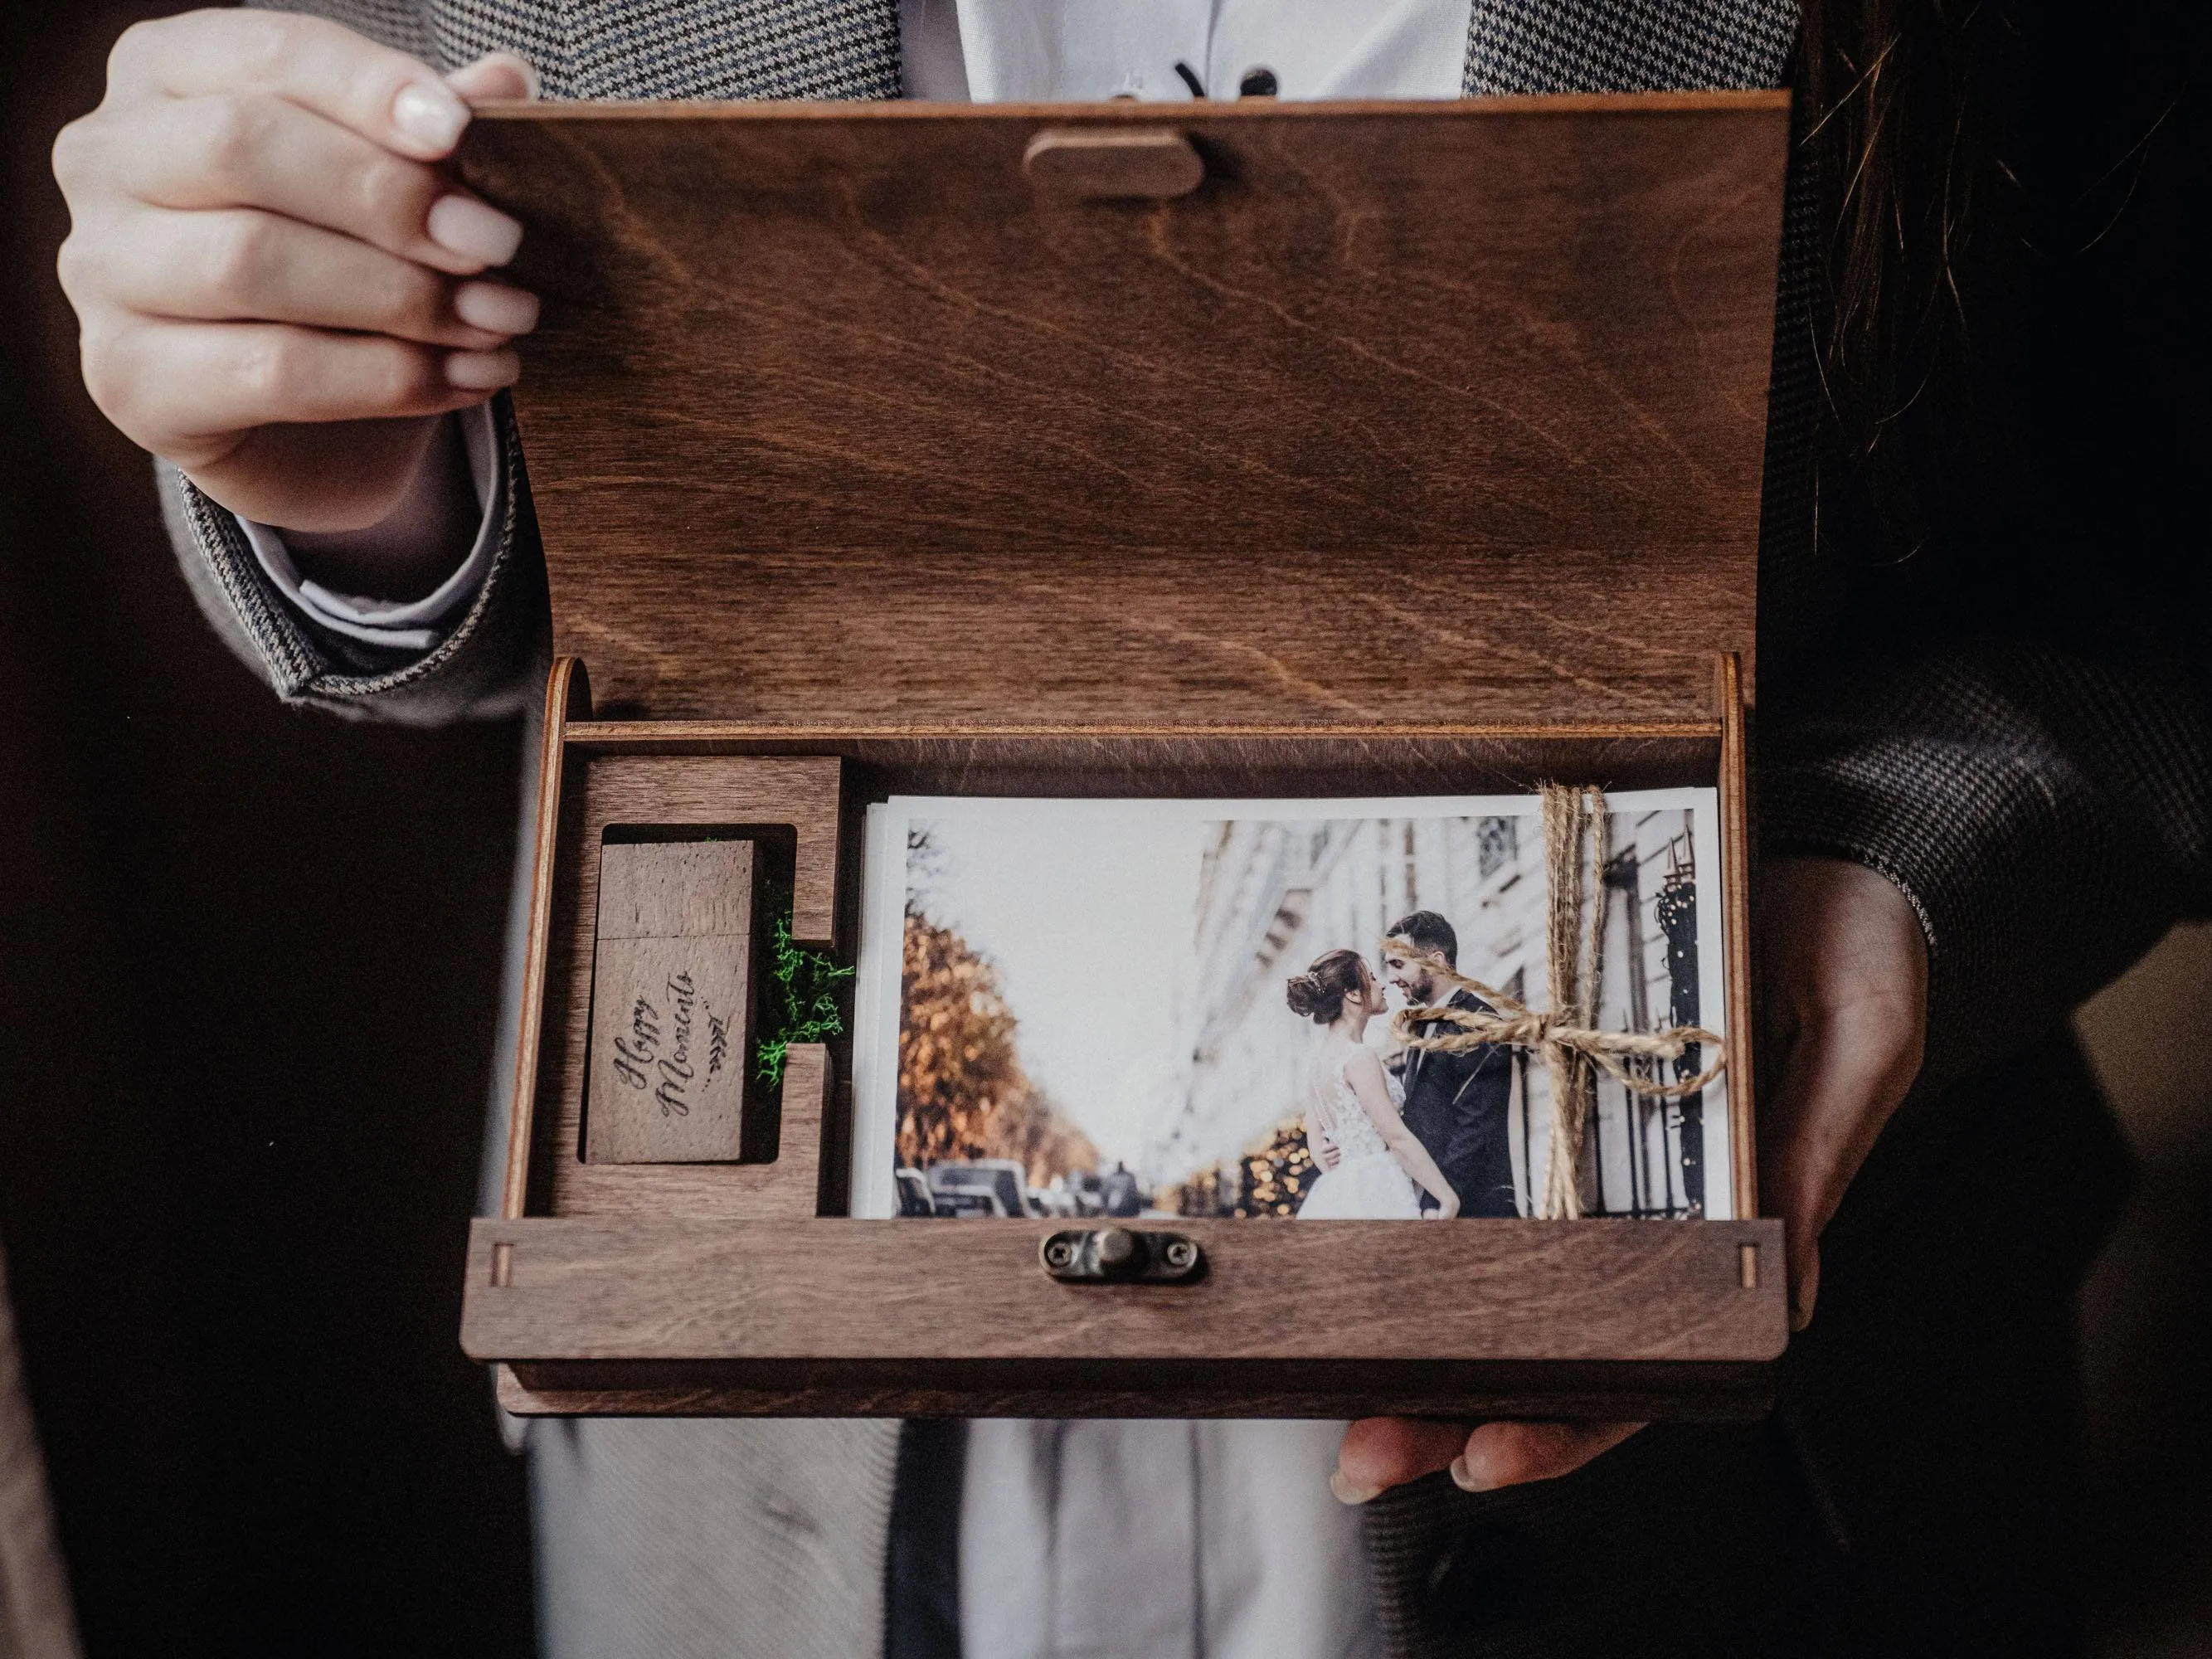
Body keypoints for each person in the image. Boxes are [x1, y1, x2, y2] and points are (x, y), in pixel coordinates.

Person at [49, 2, 2210, 1655]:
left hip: (1762, 1524)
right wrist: (342, 461)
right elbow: (415, 332)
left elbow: (2150, 524)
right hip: (766, 1524)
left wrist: (1893, 874)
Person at [1286, 950, 1460, 1220]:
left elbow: (1318, 1151)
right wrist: (1446, 1197)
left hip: (1342, 1190)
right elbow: (1396, 1136)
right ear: (1354, 994)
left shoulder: (1318, 1064)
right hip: (1380, 1187)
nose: (1382, 985)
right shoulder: (1358, 1057)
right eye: (1372, 977)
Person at [1379, 912, 1517, 1219]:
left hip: (1472, 1206)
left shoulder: (1479, 1020)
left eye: (1399, 965)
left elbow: (1476, 1123)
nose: (1392, 978)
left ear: (1438, 961)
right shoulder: (1422, 1025)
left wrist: (1438, 1199)